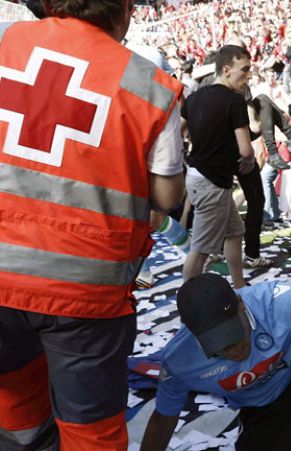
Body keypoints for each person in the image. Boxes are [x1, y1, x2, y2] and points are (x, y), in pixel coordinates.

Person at [0, 0, 185, 449]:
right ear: (122, 10)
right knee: (92, 433)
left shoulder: (5, 41)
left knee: (14, 404)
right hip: (86, 294)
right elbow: (167, 197)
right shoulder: (153, 85)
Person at [139, 274, 291, 451]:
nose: (234, 351)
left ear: (241, 305)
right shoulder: (179, 361)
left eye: (234, 335)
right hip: (265, 407)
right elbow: (164, 417)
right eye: (218, 347)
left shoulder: (279, 300)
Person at [182, 45, 256, 288]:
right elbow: (245, 149)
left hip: (198, 175)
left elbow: (178, 131)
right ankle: (188, 303)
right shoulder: (234, 101)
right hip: (212, 181)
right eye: (244, 70)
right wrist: (249, 160)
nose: (248, 76)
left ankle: (239, 285)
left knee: (235, 232)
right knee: (201, 249)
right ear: (226, 69)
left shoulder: (193, 97)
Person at [249, 92, 291, 224]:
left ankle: (289, 139)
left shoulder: (241, 87)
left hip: (253, 129)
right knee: (263, 179)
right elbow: (254, 126)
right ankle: (288, 139)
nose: (247, 78)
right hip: (242, 132)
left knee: (263, 99)